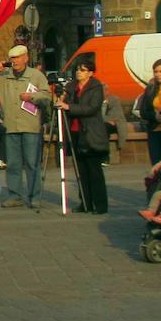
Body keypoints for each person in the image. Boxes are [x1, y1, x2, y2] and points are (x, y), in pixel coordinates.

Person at [0, 44, 50, 211]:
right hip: (10, 125)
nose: (15, 61)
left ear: (26, 58)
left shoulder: (36, 75)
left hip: (30, 126)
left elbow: (47, 96)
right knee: (12, 163)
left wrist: (32, 96)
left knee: (32, 163)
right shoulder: (4, 76)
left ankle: (35, 196)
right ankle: (15, 196)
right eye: (12, 58)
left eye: (18, 58)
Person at [54, 59, 108, 214]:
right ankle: (85, 202)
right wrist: (62, 99)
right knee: (81, 170)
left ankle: (100, 205)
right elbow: (62, 103)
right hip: (75, 132)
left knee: (94, 170)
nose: (79, 72)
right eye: (78, 69)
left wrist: (69, 106)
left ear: (90, 73)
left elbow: (91, 108)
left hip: (91, 133)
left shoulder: (96, 87)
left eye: (83, 70)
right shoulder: (71, 87)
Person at [102, 94, 128, 165]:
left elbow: (116, 117)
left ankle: (105, 158)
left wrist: (107, 120)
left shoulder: (114, 100)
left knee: (104, 129)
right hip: (97, 124)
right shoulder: (93, 100)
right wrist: (106, 119)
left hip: (113, 125)